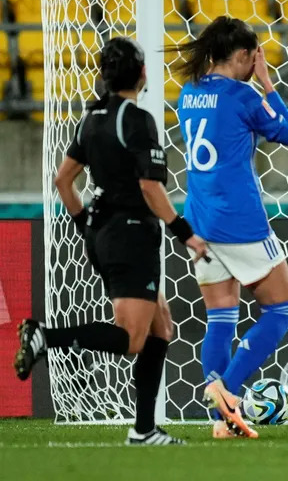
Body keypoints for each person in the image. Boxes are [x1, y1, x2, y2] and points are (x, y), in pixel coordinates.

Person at [13, 36, 208, 445]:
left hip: (104, 232)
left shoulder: (92, 118)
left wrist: (85, 223)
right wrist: (185, 233)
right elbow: (151, 189)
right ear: (141, 73)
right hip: (132, 233)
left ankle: (144, 430)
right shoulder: (136, 121)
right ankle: (46, 337)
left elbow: (63, 180)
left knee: (161, 328)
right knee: (132, 339)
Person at [172, 16, 288, 439]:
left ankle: (220, 423)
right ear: (244, 55)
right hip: (239, 220)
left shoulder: (188, 94)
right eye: (254, 57)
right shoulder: (244, 95)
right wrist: (267, 82)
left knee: (221, 318)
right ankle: (226, 389)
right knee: (280, 310)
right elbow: (287, 132)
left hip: (199, 220)